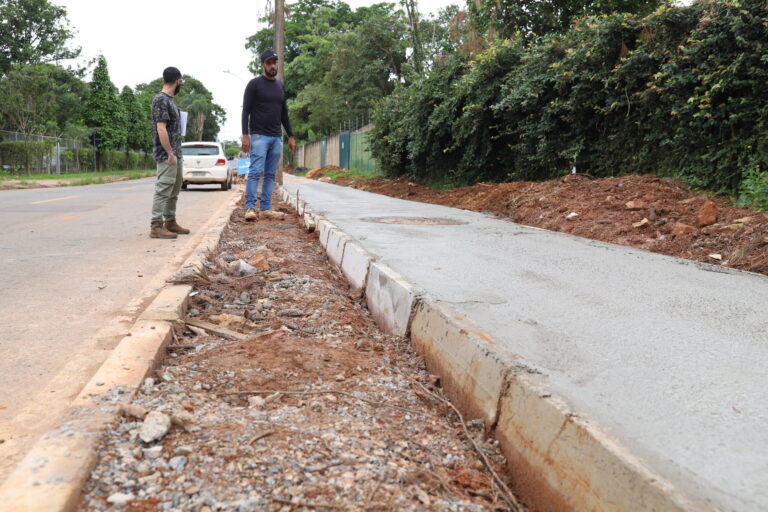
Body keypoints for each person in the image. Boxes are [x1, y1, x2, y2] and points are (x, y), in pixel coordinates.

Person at [241, 48, 296, 221]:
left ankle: (265, 208)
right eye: (269, 63)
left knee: (270, 174)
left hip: (276, 137)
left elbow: (284, 113)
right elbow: (246, 111)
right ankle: (250, 208)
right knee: (255, 172)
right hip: (259, 136)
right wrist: (245, 135)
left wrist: (291, 135)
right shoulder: (254, 84)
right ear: (263, 65)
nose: (273, 66)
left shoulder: (280, 86)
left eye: (275, 63)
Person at [149, 66, 189, 239]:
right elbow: (161, 128)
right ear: (178, 81)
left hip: (176, 152)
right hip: (167, 154)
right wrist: (169, 151)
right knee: (164, 188)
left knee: (174, 189)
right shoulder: (161, 99)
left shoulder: (170, 100)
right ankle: (156, 225)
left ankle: (170, 221)